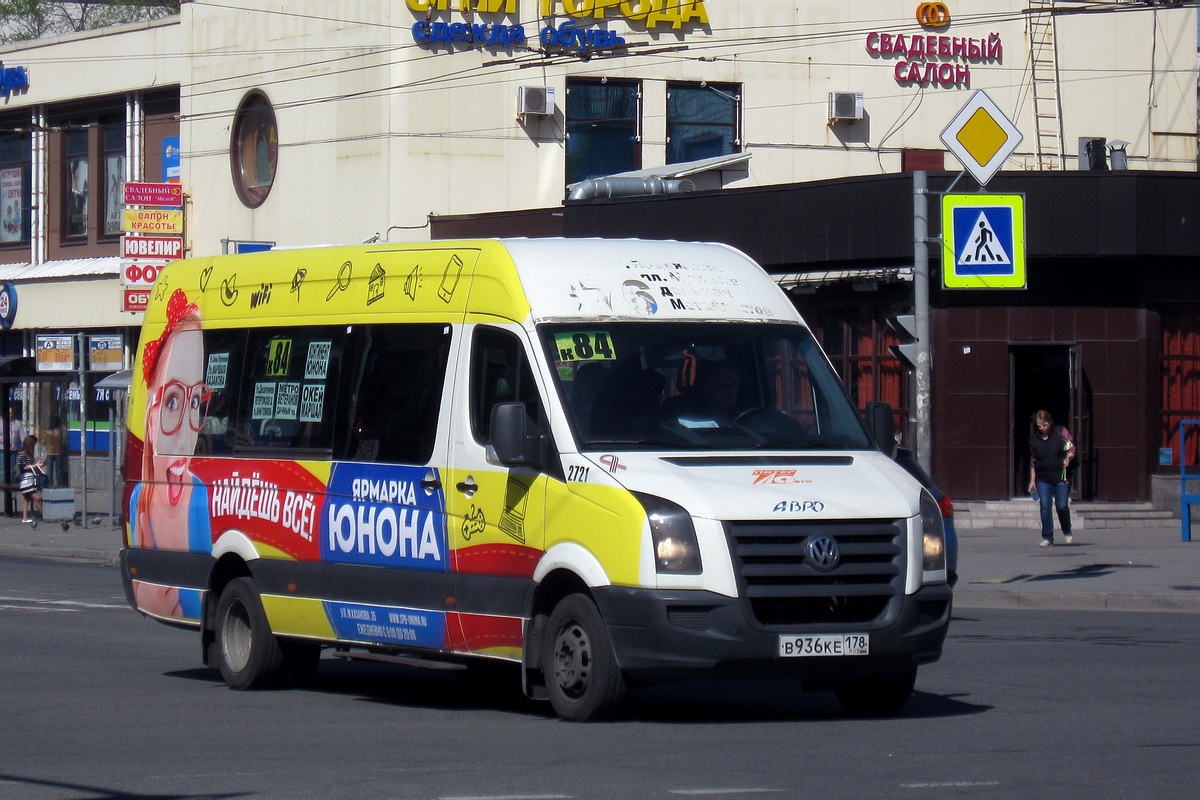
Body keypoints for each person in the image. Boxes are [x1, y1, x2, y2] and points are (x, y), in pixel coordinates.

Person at [130, 288, 212, 618]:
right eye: (173, 401)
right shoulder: (141, 501)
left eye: (195, 402)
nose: (185, 430)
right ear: (150, 416)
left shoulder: (198, 495)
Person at [1027, 409, 1077, 547]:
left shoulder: (1060, 432)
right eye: (1040, 426)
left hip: (1062, 474)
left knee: (1061, 506)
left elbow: (1071, 448)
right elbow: (1033, 461)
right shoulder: (1034, 441)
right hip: (1043, 477)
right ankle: (1047, 537)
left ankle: (1067, 530)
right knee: (1045, 506)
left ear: (1050, 422)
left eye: (1045, 424)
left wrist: (1068, 458)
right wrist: (1032, 481)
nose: (1043, 428)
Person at [16, 434, 45, 528]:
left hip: (29, 478)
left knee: (27, 498)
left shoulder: (28, 452)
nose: (34, 446)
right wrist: (36, 465)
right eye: (33, 444)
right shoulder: (22, 453)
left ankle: (24, 518)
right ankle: (45, 515)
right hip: (25, 479)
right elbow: (23, 467)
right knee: (37, 498)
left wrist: (37, 465)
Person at [40, 416, 64, 488]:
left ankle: (50, 483)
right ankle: (59, 484)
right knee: (58, 470)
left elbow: (43, 440)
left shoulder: (48, 431)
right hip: (58, 452)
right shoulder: (60, 430)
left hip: (49, 451)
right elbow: (62, 439)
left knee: (50, 470)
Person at [7, 407, 25, 479]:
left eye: (11, 413)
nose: (10, 415)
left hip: (14, 451)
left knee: (14, 468)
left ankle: (12, 484)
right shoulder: (0, 423)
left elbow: (22, 435)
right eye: (9, 413)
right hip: (2, 451)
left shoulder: (17, 424)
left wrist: (25, 445)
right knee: (3, 468)